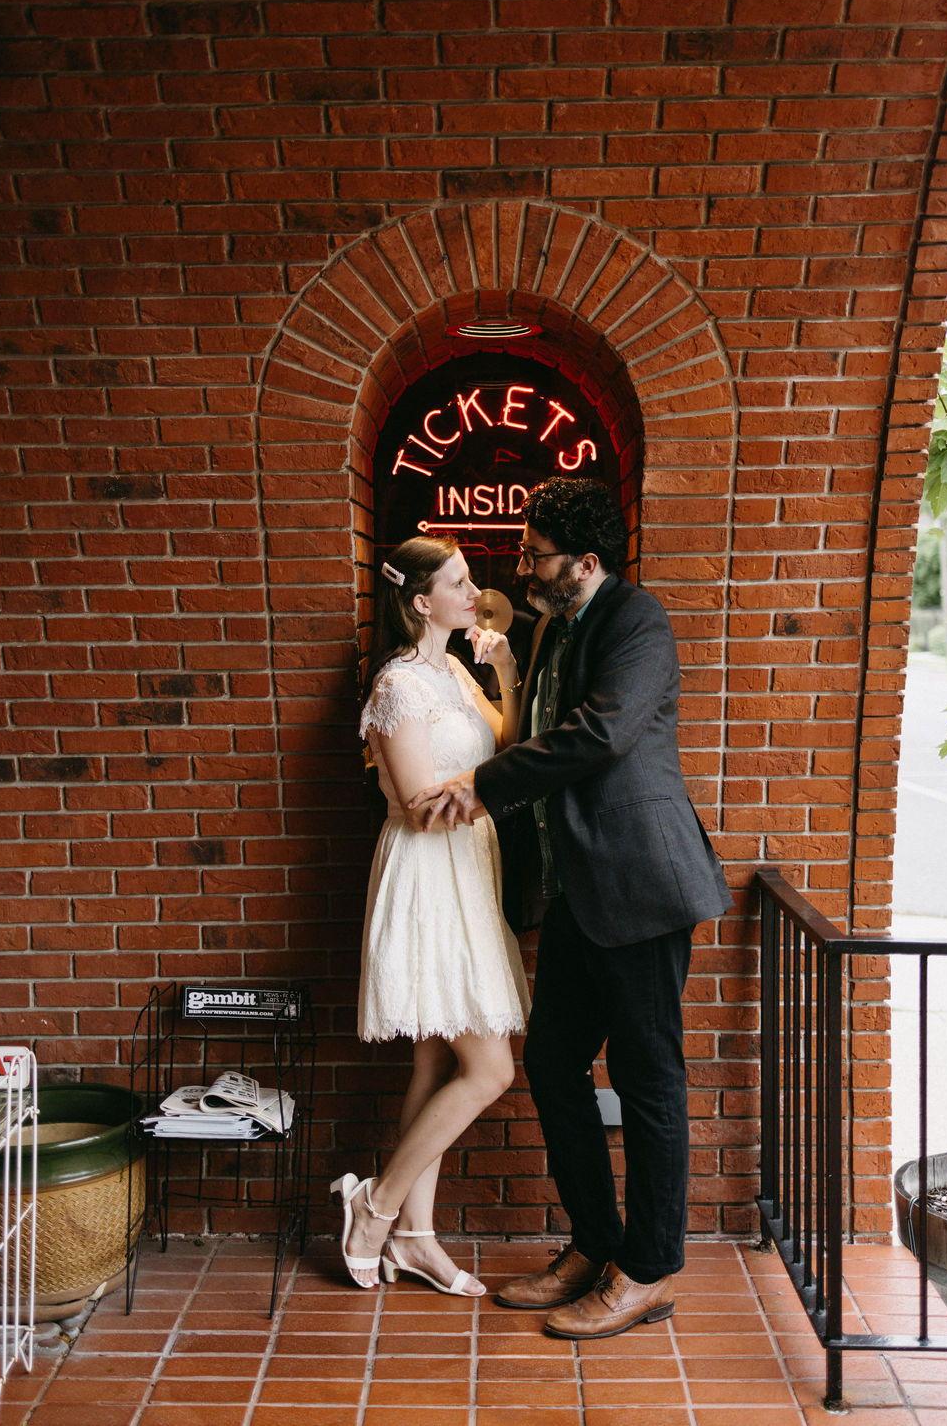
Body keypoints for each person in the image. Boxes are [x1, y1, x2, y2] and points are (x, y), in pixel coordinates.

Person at [409, 478, 731, 1341]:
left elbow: (601, 733)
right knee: (552, 1068)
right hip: (578, 894)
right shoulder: (552, 627)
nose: (519, 563)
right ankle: (595, 1245)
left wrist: (479, 784)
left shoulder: (637, 622)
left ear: (584, 562)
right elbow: (534, 732)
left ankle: (650, 1269)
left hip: (641, 884)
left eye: (532, 551)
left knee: (647, 1079)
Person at [331, 535, 530, 1297]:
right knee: (489, 1066)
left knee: (431, 1058)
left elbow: (506, 744)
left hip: (471, 868)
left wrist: (505, 671)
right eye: (459, 581)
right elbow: (418, 804)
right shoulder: (398, 685)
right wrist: (492, 788)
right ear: (420, 601)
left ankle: (414, 1237)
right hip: (428, 872)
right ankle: (375, 1205)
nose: (473, 591)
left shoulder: (452, 669)